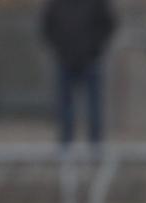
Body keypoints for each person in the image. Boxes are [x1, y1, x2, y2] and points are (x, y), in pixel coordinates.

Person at [39, 0, 115, 145]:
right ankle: (65, 149)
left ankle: (95, 149)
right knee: (65, 110)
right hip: (65, 61)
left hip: (91, 61)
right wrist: (60, 49)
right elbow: (46, 26)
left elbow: (109, 24)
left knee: (94, 110)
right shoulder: (55, 4)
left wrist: (95, 48)